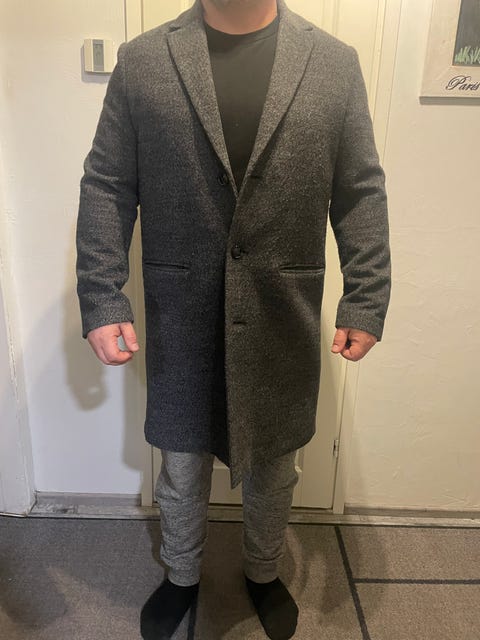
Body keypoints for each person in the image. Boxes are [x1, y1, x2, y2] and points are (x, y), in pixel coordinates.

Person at [75, 0, 391, 638]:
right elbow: (107, 184)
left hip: (282, 308)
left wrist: (366, 295)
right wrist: (103, 295)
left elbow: (360, 189)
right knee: (182, 460)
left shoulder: (334, 64)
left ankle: (263, 571)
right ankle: (181, 574)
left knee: (275, 462)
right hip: (182, 308)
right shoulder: (144, 62)